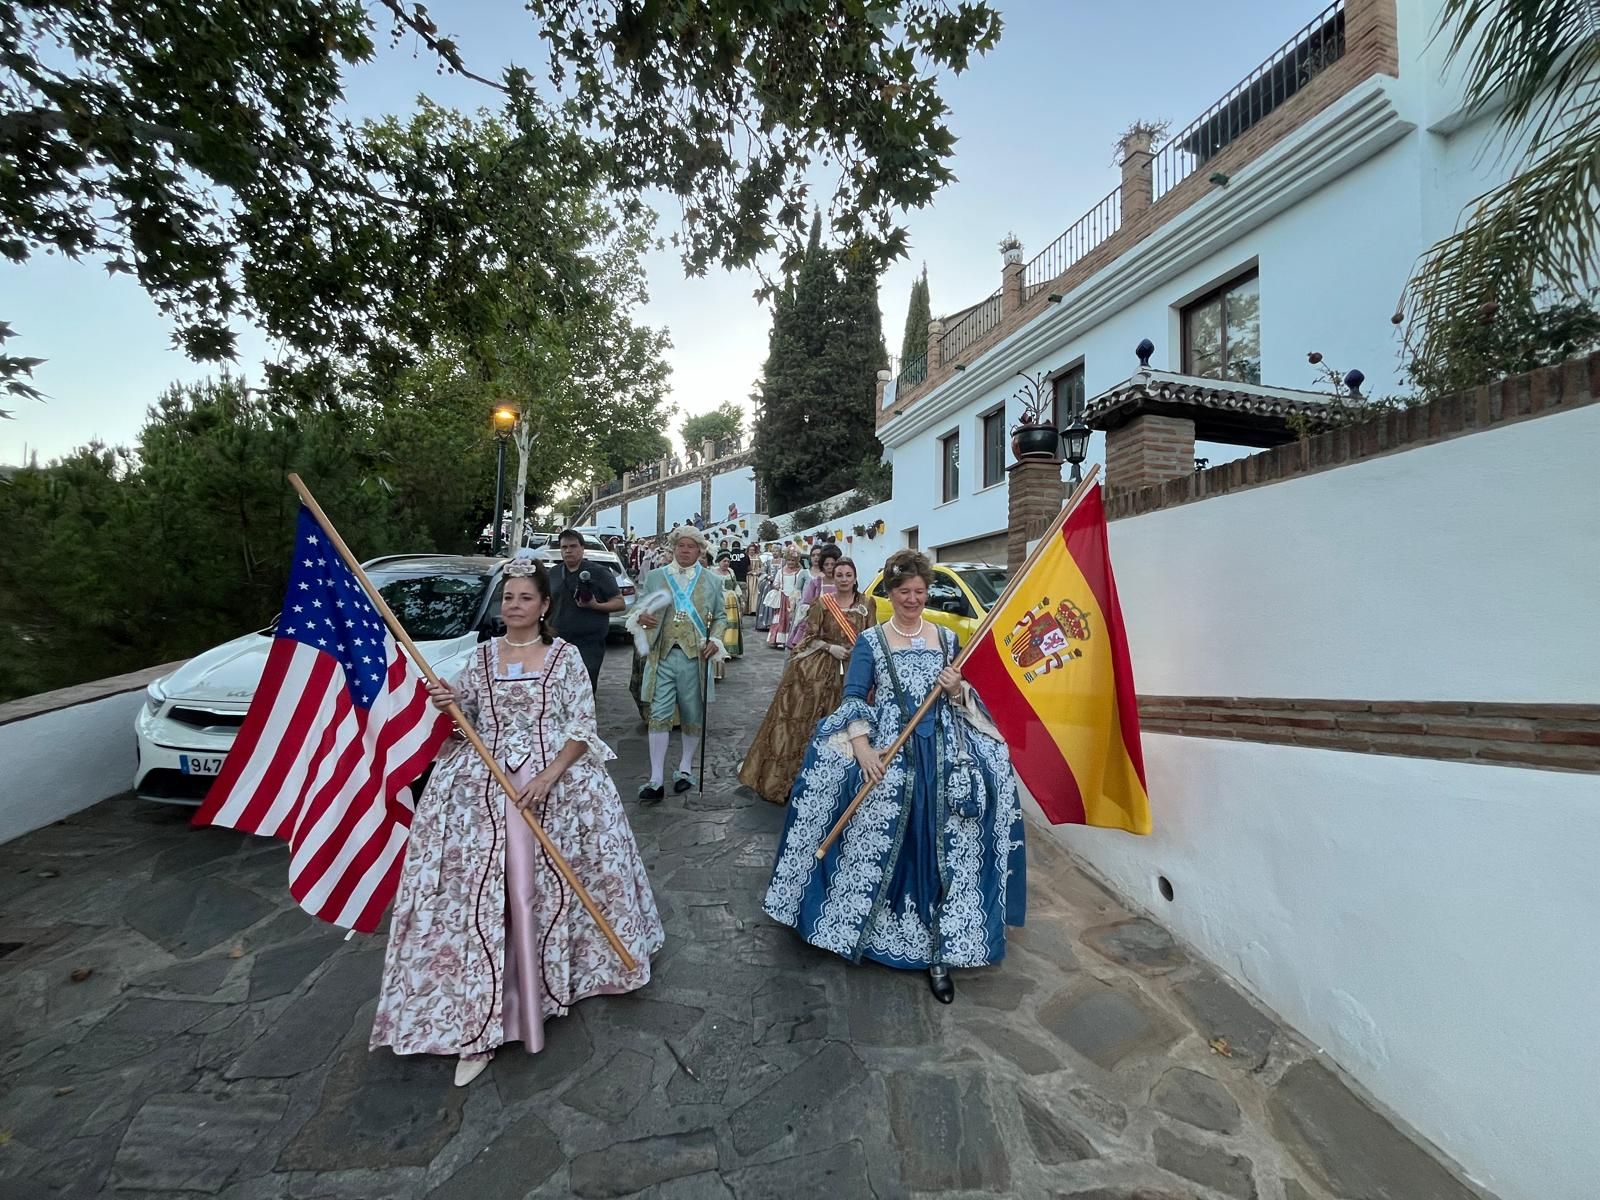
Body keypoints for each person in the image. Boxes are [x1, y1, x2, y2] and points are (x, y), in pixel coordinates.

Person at [371, 557, 664, 1085]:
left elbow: (581, 725)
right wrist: (449, 705)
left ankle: (560, 976)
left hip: (557, 786)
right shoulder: (479, 658)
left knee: (556, 886)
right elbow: (468, 725)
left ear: (545, 606)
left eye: (525, 597)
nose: (514, 605)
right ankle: (479, 1007)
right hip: (481, 786)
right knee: (481, 892)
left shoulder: (565, 657)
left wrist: (550, 775)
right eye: (508, 598)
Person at [762, 549, 1025, 1005]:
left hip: (942, 746)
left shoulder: (945, 638)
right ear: (890, 592)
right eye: (904, 592)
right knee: (864, 808)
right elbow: (852, 697)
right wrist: (863, 749)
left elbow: (966, 695)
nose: (912, 599)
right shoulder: (871, 641)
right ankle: (866, 923)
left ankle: (938, 948)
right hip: (890, 742)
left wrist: (956, 688)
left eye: (920, 592)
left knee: (951, 826)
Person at [740, 557, 875, 805]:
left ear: (855, 577)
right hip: (820, 671)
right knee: (803, 725)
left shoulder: (868, 603)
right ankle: (795, 781)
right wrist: (829, 647)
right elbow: (807, 637)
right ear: (833, 578)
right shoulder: (822, 603)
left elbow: (872, 636)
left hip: (854, 671)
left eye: (848, 575)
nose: (844, 579)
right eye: (840, 575)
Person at [626, 525, 729, 801]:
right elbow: (640, 607)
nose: (685, 550)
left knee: (692, 713)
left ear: (700, 550)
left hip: (695, 657)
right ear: (673, 548)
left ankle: (684, 769)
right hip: (662, 655)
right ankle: (655, 778)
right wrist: (641, 616)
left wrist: (716, 641)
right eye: (681, 545)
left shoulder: (712, 581)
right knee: (658, 714)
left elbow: (721, 617)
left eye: (691, 546)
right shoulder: (657, 577)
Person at [546, 528, 624, 694]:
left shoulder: (599, 573)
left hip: (589, 643)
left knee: (584, 689)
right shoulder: (553, 573)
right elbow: (546, 604)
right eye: (564, 547)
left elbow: (619, 603)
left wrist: (595, 606)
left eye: (573, 546)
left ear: (582, 548)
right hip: (558, 641)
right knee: (558, 689)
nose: (568, 551)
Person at [789, 543, 842, 651]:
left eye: (833, 564)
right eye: (827, 564)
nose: (830, 567)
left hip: (839, 625)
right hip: (818, 627)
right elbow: (806, 603)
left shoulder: (842, 582)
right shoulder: (816, 582)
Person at [765, 548, 807, 649]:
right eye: (788, 560)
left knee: (792, 620)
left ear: (796, 561)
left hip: (794, 599)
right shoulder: (781, 571)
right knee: (781, 619)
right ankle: (779, 639)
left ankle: (791, 639)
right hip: (783, 598)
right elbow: (776, 582)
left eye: (792, 560)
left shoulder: (800, 572)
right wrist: (777, 586)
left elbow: (802, 585)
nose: (790, 562)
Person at [712, 552, 744, 681]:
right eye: (724, 561)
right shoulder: (714, 573)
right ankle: (723, 649)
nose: (726, 564)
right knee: (723, 624)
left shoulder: (730, 572)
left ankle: (732, 649)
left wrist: (739, 596)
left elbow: (735, 584)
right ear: (719, 561)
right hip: (721, 600)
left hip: (732, 600)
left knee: (733, 626)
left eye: (728, 561)